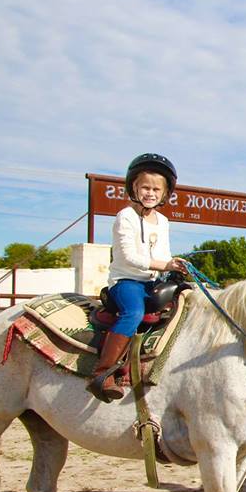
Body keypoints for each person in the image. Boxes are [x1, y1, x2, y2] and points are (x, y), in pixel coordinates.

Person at [87, 153, 187, 402]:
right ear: (133, 187)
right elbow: (129, 256)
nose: (150, 193)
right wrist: (163, 263)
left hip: (153, 281)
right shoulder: (126, 217)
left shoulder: (162, 221)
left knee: (187, 301)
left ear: (165, 193)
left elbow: (163, 253)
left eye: (156, 189)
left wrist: (174, 266)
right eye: (145, 187)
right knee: (132, 313)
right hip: (126, 282)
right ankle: (102, 373)